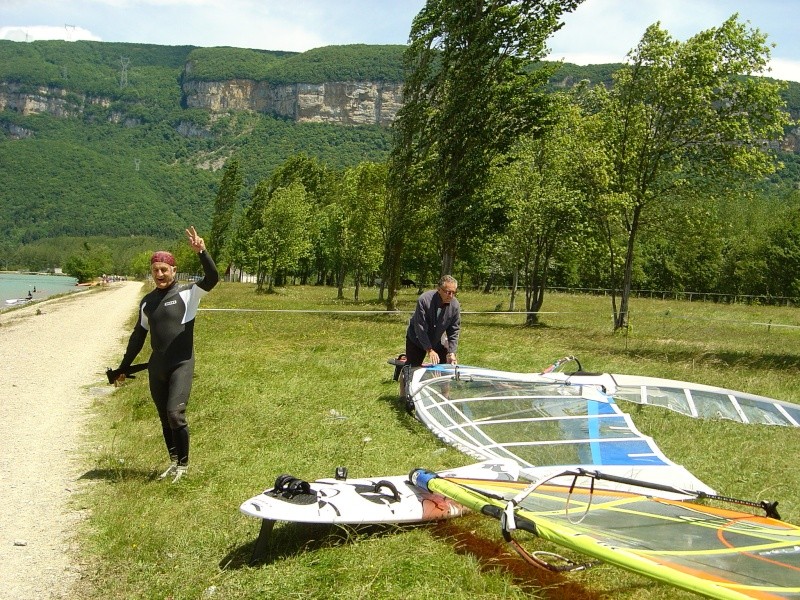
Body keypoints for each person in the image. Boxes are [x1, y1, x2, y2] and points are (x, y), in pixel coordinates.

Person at [110, 226, 219, 483]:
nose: (160, 274)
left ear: (173, 271)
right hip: (156, 367)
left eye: (164, 270)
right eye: (155, 270)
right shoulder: (147, 302)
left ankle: (183, 466)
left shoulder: (187, 293)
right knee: (163, 417)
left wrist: (202, 251)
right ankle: (173, 462)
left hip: (181, 363)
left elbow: (212, 278)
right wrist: (124, 366)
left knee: (175, 414)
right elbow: (138, 336)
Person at [400, 275, 460, 401]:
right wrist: (429, 349)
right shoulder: (424, 300)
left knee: (445, 368)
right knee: (412, 368)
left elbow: (454, 330)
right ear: (439, 289)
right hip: (416, 339)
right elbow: (420, 328)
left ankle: (445, 398)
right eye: (448, 292)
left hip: (437, 340)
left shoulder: (455, 305)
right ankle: (405, 396)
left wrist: (452, 352)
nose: (451, 295)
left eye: (454, 292)